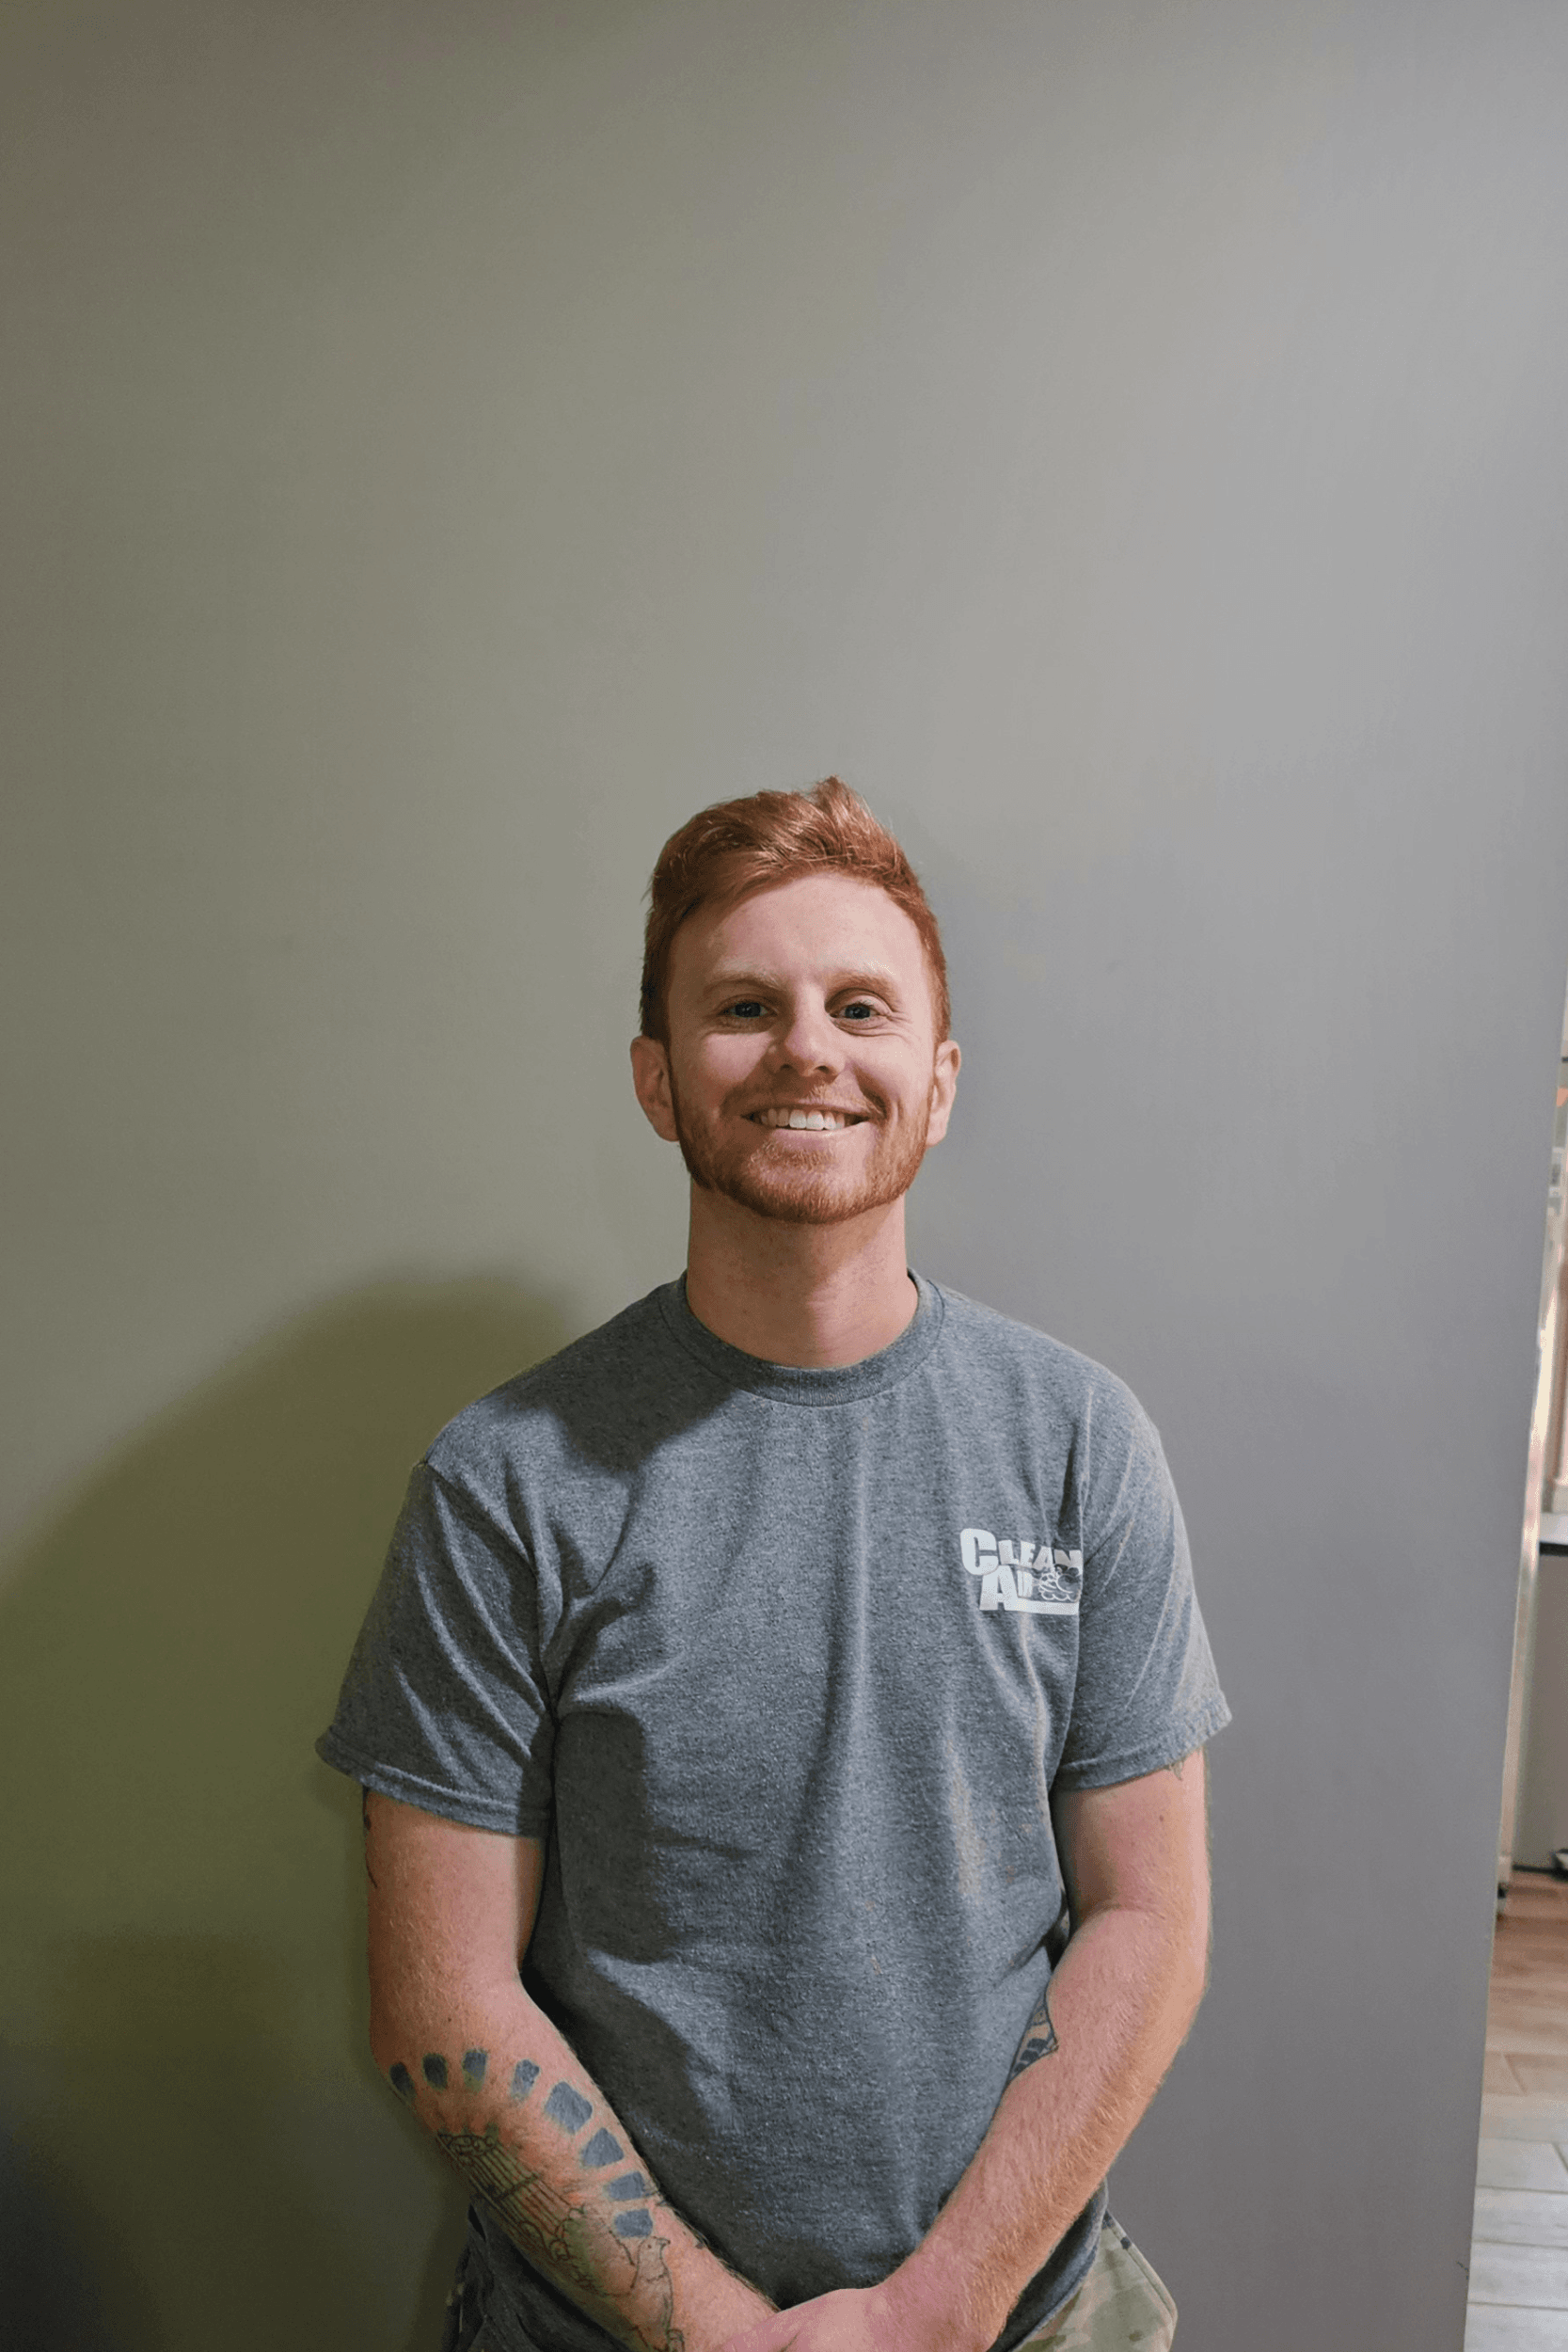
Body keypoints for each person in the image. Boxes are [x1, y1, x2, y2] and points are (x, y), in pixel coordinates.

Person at [318, 777, 1229, 2352]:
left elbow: (1146, 1917)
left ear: (934, 1083)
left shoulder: (1080, 1440)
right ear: (658, 1080)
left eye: (859, 1006)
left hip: (1022, 2320)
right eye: (745, 1006)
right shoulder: (506, 1480)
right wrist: (728, 2338)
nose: (808, 1048)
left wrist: (933, 2312)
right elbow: (440, 2003)